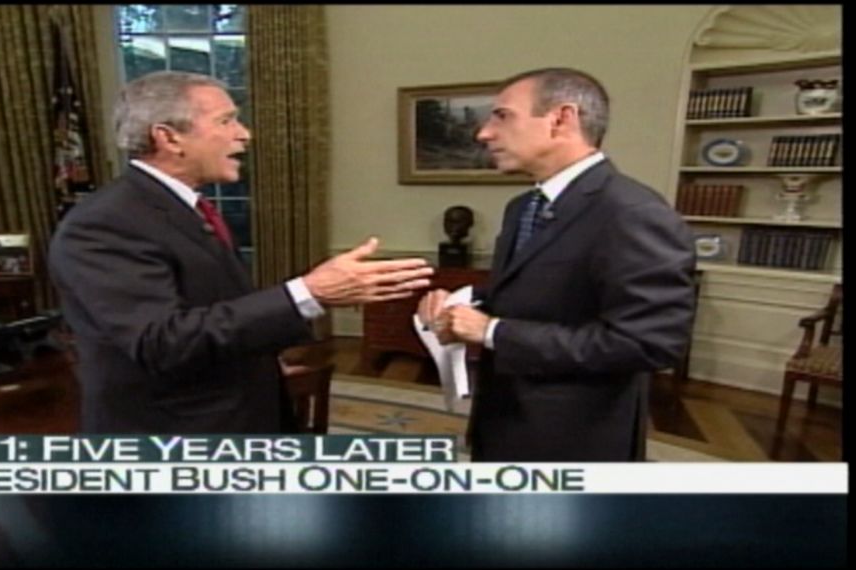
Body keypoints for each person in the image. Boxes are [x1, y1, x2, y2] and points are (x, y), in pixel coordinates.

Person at [49, 71, 432, 433]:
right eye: (226, 121)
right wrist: (308, 294)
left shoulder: (184, 207)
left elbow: (213, 309)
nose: (244, 134)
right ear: (169, 138)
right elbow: (161, 342)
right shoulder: (104, 223)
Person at [418, 68, 696, 461]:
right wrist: (463, 302)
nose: (483, 133)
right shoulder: (523, 207)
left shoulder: (632, 213)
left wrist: (493, 332)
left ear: (561, 119)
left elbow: (647, 343)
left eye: (502, 116)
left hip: (574, 438)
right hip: (504, 419)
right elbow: (532, 290)